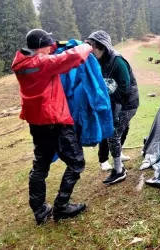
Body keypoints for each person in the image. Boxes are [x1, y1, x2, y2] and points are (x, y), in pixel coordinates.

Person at [11, 29, 93, 225]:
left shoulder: (22, 62)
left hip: (36, 122)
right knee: (76, 163)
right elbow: (72, 58)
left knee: (40, 165)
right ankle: (62, 206)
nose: (50, 50)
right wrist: (88, 45)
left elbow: (47, 51)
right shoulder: (42, 64)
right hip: (54, 121)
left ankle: (39, 210)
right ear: (40, 47)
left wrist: (55, 44)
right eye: (48, 47)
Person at [87, 30, 139, 185]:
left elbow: (124, 89)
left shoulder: (118, 61)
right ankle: (117, 156)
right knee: (119, 130)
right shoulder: (96, 60)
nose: (89, 49)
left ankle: (119, 170)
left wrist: (111, 106)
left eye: (92, 46)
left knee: (113, 132)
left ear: (101, 46)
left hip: (127, 103)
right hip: (113, 101)